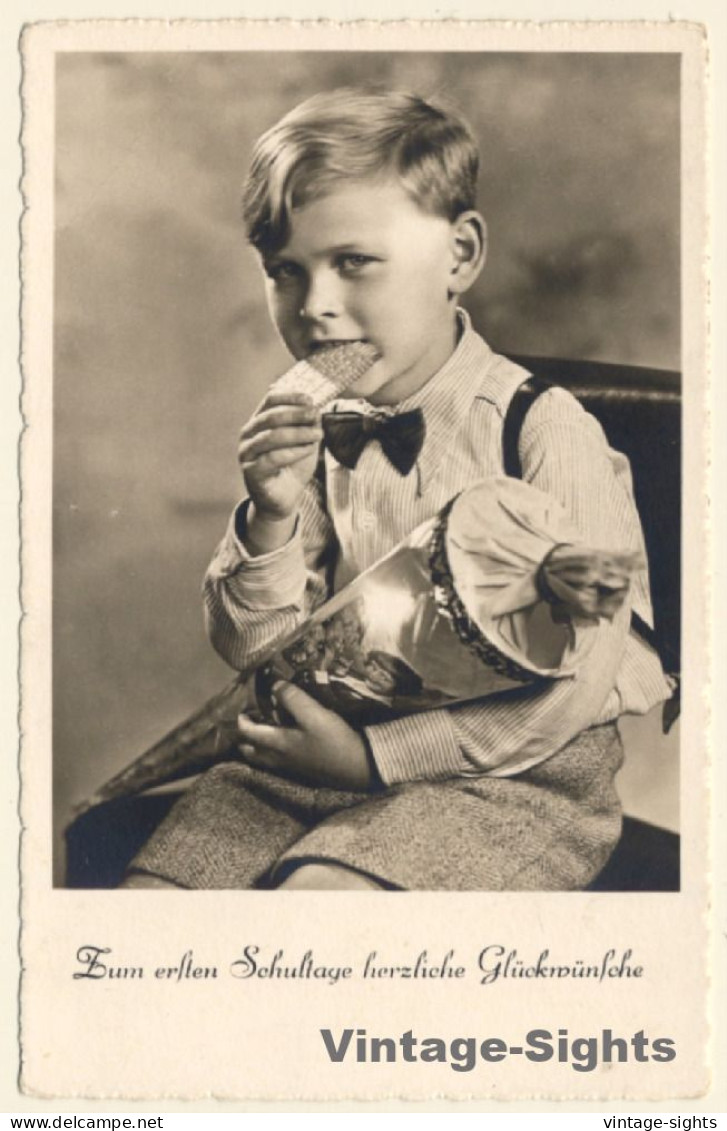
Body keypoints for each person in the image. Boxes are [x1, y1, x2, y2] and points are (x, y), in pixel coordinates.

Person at [122, 88, 672, 891]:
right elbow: (252, 649)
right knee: (156, 905)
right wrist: (269, 519)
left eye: (352, 262)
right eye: (285, 272)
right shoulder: (317, 431)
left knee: (320, 907)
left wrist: (378, 759)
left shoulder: (543, 429)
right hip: (325, 746)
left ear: (459, 254)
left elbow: (580, 684)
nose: (315, 308)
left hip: (509, 772)